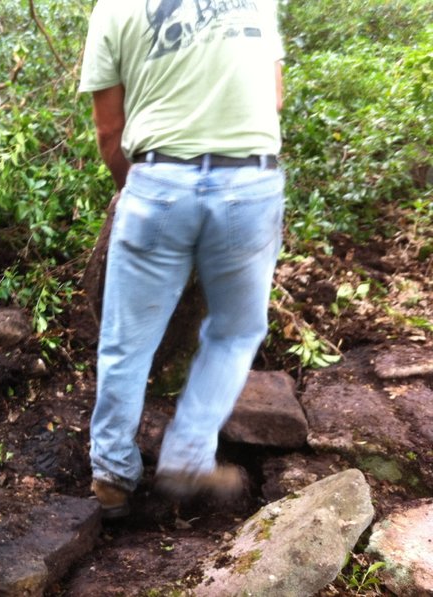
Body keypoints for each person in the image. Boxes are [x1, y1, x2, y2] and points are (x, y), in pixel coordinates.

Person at [79, 0, 286, 518]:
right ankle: (189, 454)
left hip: (159, 180)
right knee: (235, 332)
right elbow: (274, 96)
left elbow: (109, 131)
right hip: (248, 181)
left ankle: (111, 475)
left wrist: (141, 193)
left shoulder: (113, 9)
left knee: (125, 341)